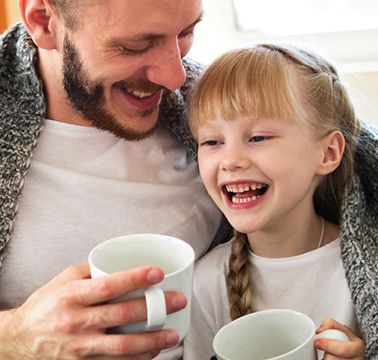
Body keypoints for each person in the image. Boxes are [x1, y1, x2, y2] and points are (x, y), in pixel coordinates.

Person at [0, 0, 227, 359]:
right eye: (135, 46)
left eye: (185, 33)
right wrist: (14, 337)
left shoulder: (215, 106)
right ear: (43, 22)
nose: (174, 77)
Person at [183, 44, 378, 359]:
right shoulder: (204, 284)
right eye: (212, 142)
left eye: (258, 137)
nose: (230, 160)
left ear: (327, 154)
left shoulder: (365, 272)